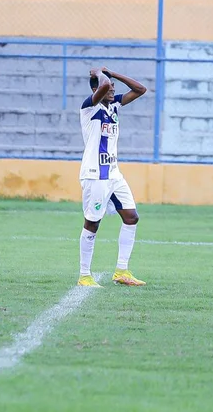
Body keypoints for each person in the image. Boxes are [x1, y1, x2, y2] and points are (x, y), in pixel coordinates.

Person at [77, 67, 147, 288]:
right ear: (97, 89)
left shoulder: (114, 105)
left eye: (113, 88)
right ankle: (84, 275)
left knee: (131, 217)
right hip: (95, 175)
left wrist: (114, 73)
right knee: (92, 224)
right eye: (108, 87)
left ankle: (122, 271)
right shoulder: (89, 107)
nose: (112, 89)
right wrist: (100, 73)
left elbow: (140, 89)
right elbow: (105, 85)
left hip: (114, 174)